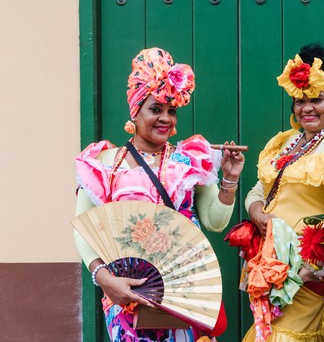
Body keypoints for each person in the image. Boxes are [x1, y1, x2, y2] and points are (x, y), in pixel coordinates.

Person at [74, 47, 245, 342]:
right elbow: (83, 229)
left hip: (183, 295)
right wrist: (104, 279)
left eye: (172, 110)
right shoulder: (104, 164)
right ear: (135, 110)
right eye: (156, 109)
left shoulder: (190, 161)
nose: (166, 119)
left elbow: (214, 222)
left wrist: (229, 178)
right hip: (126, 296)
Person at [242, 44, 324, 341]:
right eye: (300, 101)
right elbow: (257, 191)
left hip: (305, 269)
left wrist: (312, 267)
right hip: (271, 262)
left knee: (281, 335)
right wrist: (257, 212)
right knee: (272, 332)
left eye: (316, 99)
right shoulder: (285, 142)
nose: (307, 107)